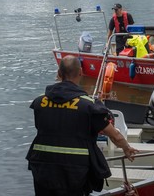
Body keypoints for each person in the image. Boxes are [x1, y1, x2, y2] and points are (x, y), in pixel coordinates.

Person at [27, 55, 138, 195]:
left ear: (59, 73)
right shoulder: (87, 105)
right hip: (75, 169)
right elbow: (114, 135)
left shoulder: (39, 102)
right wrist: (126, 148)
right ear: (80, 73)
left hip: (42, 166)